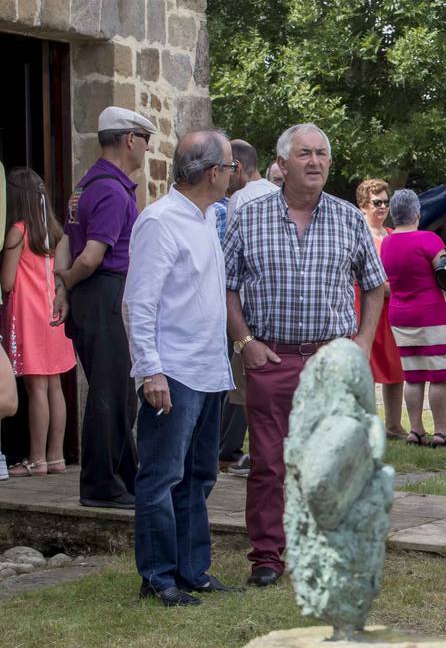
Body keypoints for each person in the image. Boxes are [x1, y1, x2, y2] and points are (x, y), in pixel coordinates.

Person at [223, 123, 388, 589]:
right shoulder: (249, 217)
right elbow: (228, 287)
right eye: (304, 154)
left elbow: (376, 286)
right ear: (282, 163)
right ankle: (268, 556)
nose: (314, 162)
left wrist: (362, 341)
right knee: (270, 463)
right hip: (270, 358)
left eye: (321, 154)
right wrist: (244, 341)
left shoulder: (349, 218)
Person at [124, 130, 239, 606]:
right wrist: (150, 371)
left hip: (208, 368)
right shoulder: (161, 221)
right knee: (162, 476)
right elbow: (139, 303)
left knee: (199, 476)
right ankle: (159, 574)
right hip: (172, 371)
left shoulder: (208, 217)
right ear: (213, 173)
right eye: (230, 166)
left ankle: (193, 569)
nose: (232, 175)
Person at [53, 106, 156, 509]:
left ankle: (125, 478)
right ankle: (100, 484)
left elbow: (65, 241)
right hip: (106, 291)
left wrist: (64, 288)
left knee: (116, 392)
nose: (147, 149)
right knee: (111, 392)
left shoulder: (86, 184)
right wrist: (70, 282)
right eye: (145, 140)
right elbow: (92, 255)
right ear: (130, 139)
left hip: (91, 295)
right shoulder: (112, 190)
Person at [1, 168, 76, 477]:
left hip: (28, 316)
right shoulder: (55, 232)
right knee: (54, 386)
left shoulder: (18, 230)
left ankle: (36, 459)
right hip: (53, 314)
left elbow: (6, 282)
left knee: (35, 388)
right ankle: (56, 456)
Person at [381, 189, 446, 449]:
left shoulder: (387, 243)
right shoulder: (429, 239)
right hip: (432, 312)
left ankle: (415, 430)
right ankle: (442, 431)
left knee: (413, 374)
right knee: (438, 374)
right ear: (417, 213)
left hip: (400, 313)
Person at [219, 139, 271, 477]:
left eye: (226, 168)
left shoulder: (240, 199)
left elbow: (233, 258)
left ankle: (260, 454)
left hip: (250, 308)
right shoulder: (276, 191)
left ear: (236, 167)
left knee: (250, 387)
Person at [355, 178, 406, 440]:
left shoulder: (391, 233)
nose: (382, 207)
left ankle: (394, 424)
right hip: (363, 306)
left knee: (395, 365)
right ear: (363, 204)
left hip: (393, 308)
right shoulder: (358, 232)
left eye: (386, 202)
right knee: (367, 366)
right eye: (377, 202)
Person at [225, 139, 275, 226]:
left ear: (236, 167)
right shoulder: (279, 193)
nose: (224, 177)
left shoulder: (238, 200)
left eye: (226, 168)